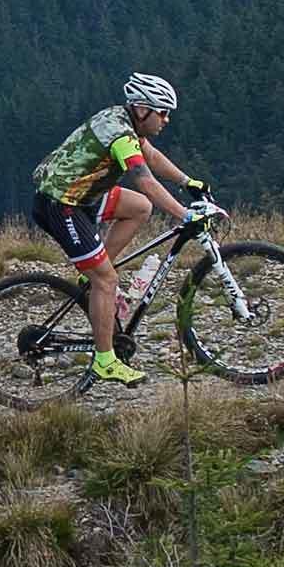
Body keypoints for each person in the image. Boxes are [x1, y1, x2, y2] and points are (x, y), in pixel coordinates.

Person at [30, 72, 208, 384]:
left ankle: (93, 276)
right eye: (162, 112)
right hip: (61, 204)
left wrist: (187, 181)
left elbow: (151, 156)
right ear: (142, 109)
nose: (166, 120)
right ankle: (105, 361)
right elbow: (145, 181)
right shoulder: (121, 136)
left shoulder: (126, 121)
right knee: (106, 280)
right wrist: (184, 215)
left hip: (84, 196)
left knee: (140, 207)